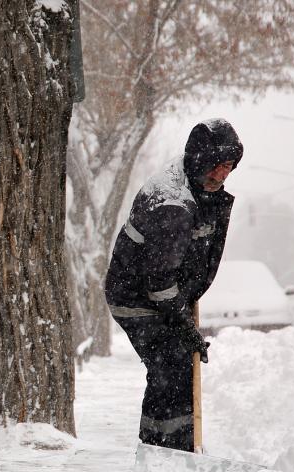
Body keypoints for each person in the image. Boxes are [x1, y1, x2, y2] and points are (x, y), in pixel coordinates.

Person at [104, 118, 243, 452]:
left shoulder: (192, 183)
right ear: (201, 160)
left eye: (230, 168)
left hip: (155, 293)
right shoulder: (174, 205)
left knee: (174, 362)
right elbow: (160, 281)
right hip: (135, 296)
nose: (224, 175)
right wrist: (184, 325)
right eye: (219, 166)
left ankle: (162, 445)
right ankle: (168, 448)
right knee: (173, 361)